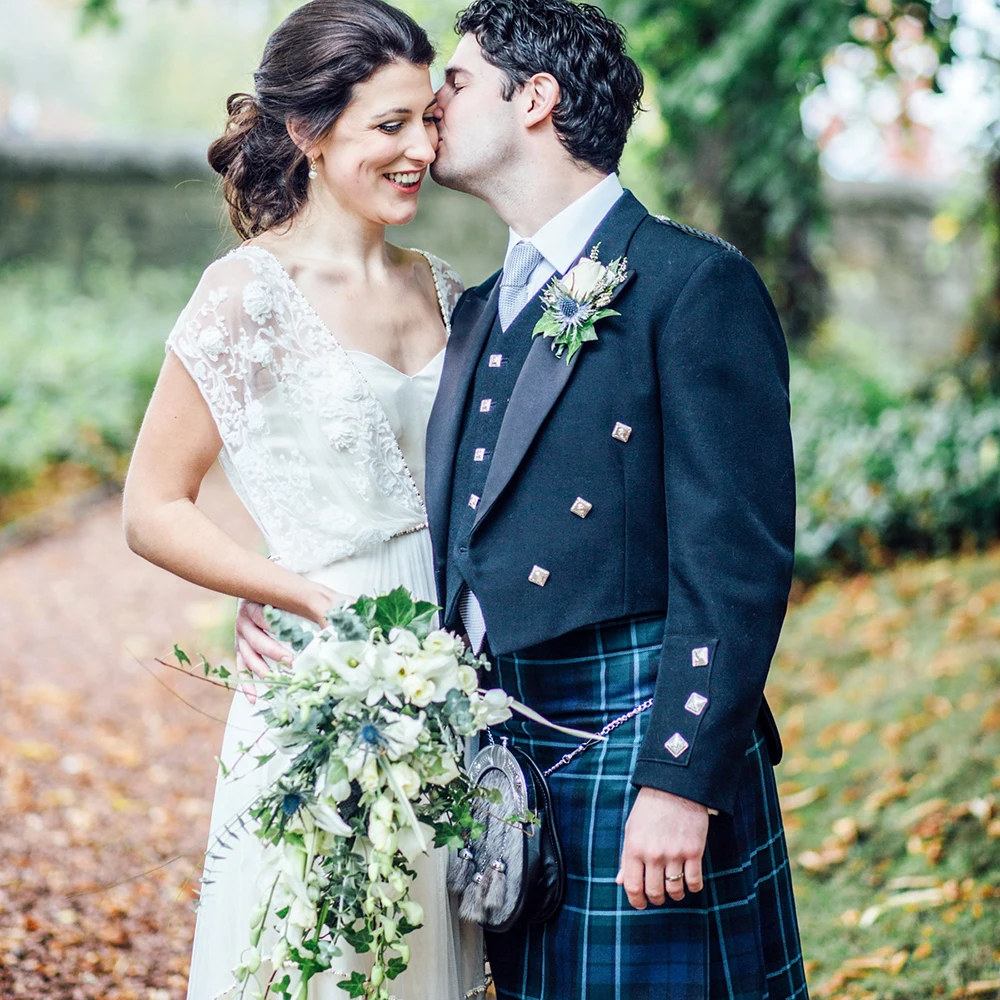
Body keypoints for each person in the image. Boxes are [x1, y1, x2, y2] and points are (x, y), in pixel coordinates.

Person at [236, 2, 809, 999]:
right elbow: (423, 506)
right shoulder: (478, 309)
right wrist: (291, 584)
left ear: (533, 98)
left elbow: (736, 562)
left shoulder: (688, 283)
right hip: (515, 760)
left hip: (635, 740)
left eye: (454, 85)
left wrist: (680, 779)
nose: (430, 114)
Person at [122, 2, 486, 997]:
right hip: (321, 672)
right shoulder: (247, 295)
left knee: (423, 947)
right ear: (305, 134)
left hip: (450, 675)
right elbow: (152, 504)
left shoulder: (449, 291)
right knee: (319, 954)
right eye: (389, 125)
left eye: (428, 120)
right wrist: (289, 590)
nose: (420, 148)